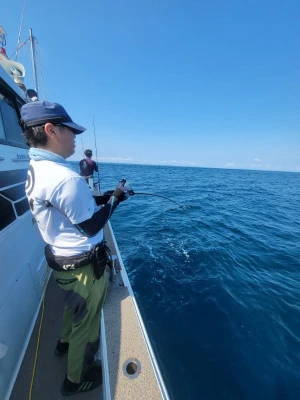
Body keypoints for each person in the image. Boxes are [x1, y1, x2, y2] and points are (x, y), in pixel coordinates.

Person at [21, 100, 128, 396]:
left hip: (61, 262)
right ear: (50, 130)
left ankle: (63, 343)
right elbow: (92, 226)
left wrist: (103, 197)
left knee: (73, 308)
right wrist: (116, 200)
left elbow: (64, 208)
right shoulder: (65, 178)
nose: (76, 137)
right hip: (82, 269)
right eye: (71, 131)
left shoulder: (37, 169)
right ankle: (76, 378)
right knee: (87, 321)